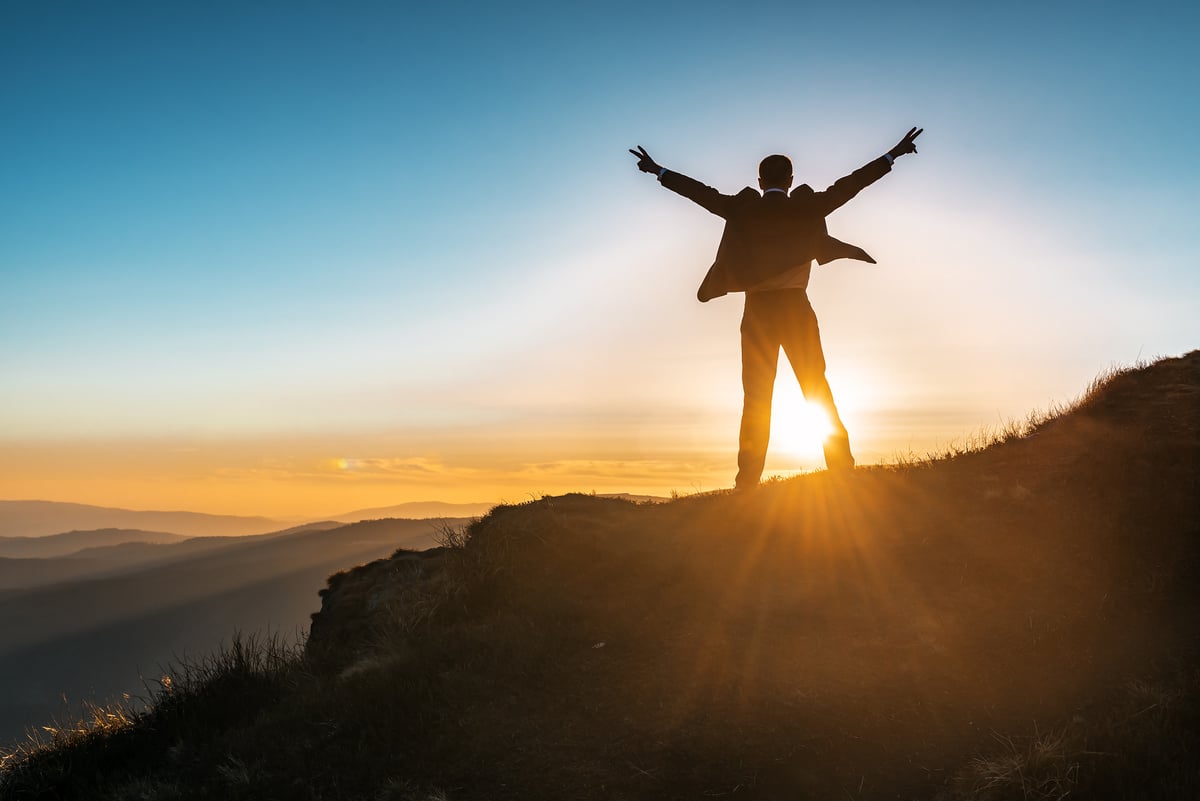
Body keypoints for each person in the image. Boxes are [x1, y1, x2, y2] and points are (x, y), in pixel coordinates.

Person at [630, 127, 922, 489]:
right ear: (790, 179)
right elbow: (851, 185)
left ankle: (747, 483)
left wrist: (658, 171)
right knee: (816, 388)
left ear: (759, 180)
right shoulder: (806, 205)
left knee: (756, 398)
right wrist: (892, 154)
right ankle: (842, 469)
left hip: (757, 314)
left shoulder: (741, 208)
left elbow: (700, 194)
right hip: (796, 308)